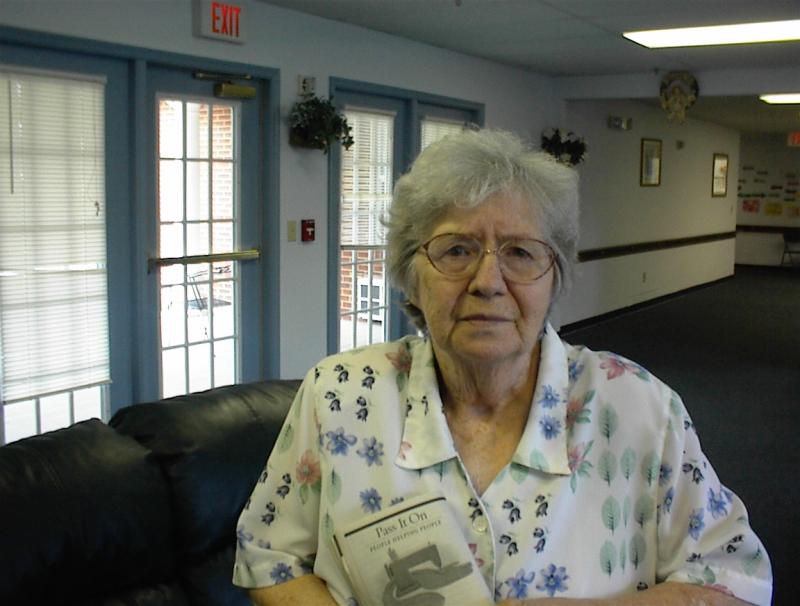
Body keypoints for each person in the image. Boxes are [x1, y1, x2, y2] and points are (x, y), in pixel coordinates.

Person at [233, 129, 772, 605]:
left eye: (520, 252)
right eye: (456, 250)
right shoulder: (338, 394)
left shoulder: (638, 407)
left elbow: (735, 582)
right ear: (410, 276)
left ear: (553, 277)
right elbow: (268, 552)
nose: (488, 282)